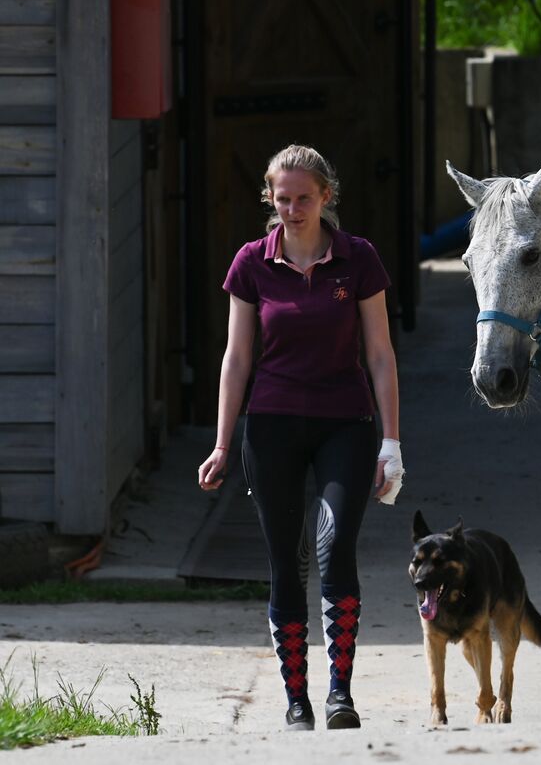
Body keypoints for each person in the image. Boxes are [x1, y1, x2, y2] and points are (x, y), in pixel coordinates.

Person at [196, 144, 404, 731]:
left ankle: (340, 693)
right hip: (272, 426)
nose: (292, 209)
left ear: (326, 197)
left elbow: (381, 355)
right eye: (282, 199)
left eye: (304, 198)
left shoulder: (358, 259)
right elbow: (236, 359)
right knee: (286, 563)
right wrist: (220, 443)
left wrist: (391, 443)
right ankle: (296, 699)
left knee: (335, 547)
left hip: (348, 423)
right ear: (270, 198)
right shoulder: (251, 263)